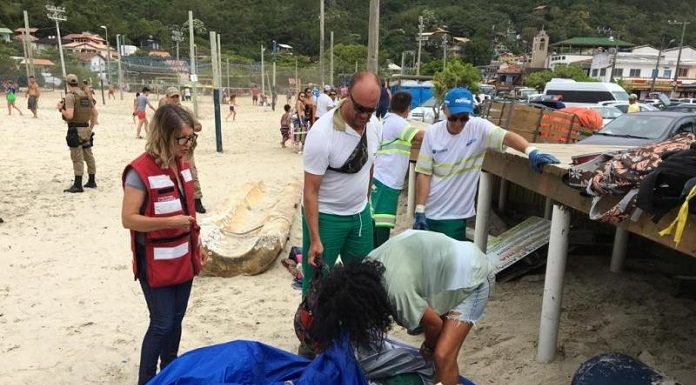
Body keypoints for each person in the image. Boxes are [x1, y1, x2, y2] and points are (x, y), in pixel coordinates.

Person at [121, 104, 204, 385]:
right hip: (155, 262)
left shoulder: (183, 165)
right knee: (162, 323)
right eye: (183, 138)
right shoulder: (140, 171)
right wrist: (168, 223)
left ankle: (170, 371)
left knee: (176, 321)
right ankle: (146, 379)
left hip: (184, 257)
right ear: (164, 135)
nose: (189, 144)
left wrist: (198, 245)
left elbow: (189, 212)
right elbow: (128, 219)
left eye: (191, 138)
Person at [414, 87, 560, 241]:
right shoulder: (432, 133)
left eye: (464, 118)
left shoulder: (478, 128)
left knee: (450, 263)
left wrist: (531, 151)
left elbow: (506, 137)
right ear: (444, 110)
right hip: (429, 211)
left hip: (454, 216)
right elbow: (424, 173)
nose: (458, 123)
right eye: (453, 118)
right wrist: (420, 209)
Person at [301, 70, 382, 295]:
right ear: (347, 96)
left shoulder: (375, 126)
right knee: (318, 286)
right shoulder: (321, 134)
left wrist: (366, 203)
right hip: (326, 216)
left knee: (363, 282)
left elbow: (370, 163)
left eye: (371, 110)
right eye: (360, 108)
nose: (365, 116)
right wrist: (315, 239)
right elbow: (310, 191)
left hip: (359, 216)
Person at [371, 91, 423, 247]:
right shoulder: (397, 123)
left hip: (383, 178)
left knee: (378, 219)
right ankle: (378, 255)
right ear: (407, 108)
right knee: (382, 221)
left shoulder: (388, 120)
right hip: (387, 181)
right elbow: (419, 136)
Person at [156, 86, 207, 214]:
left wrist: (186, 127)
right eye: (172, 97)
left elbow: (198, 126)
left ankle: (196, 200)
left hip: (185, 146)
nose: (176, 99)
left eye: (177, 96)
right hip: (168, 147)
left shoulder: (185, 111)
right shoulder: (163, 111)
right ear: (167, 98)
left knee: (191, 172)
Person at [59, 74, 97, 193]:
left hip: (75, 130)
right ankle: (92, 181)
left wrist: (61, 108)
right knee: (88, 155)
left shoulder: (70, 96)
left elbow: (69, 115)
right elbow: (95, 114)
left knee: (77, 157)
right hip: (86, 129)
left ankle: (78, 184)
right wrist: (90, 128)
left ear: (67, 83)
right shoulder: (85, 95)